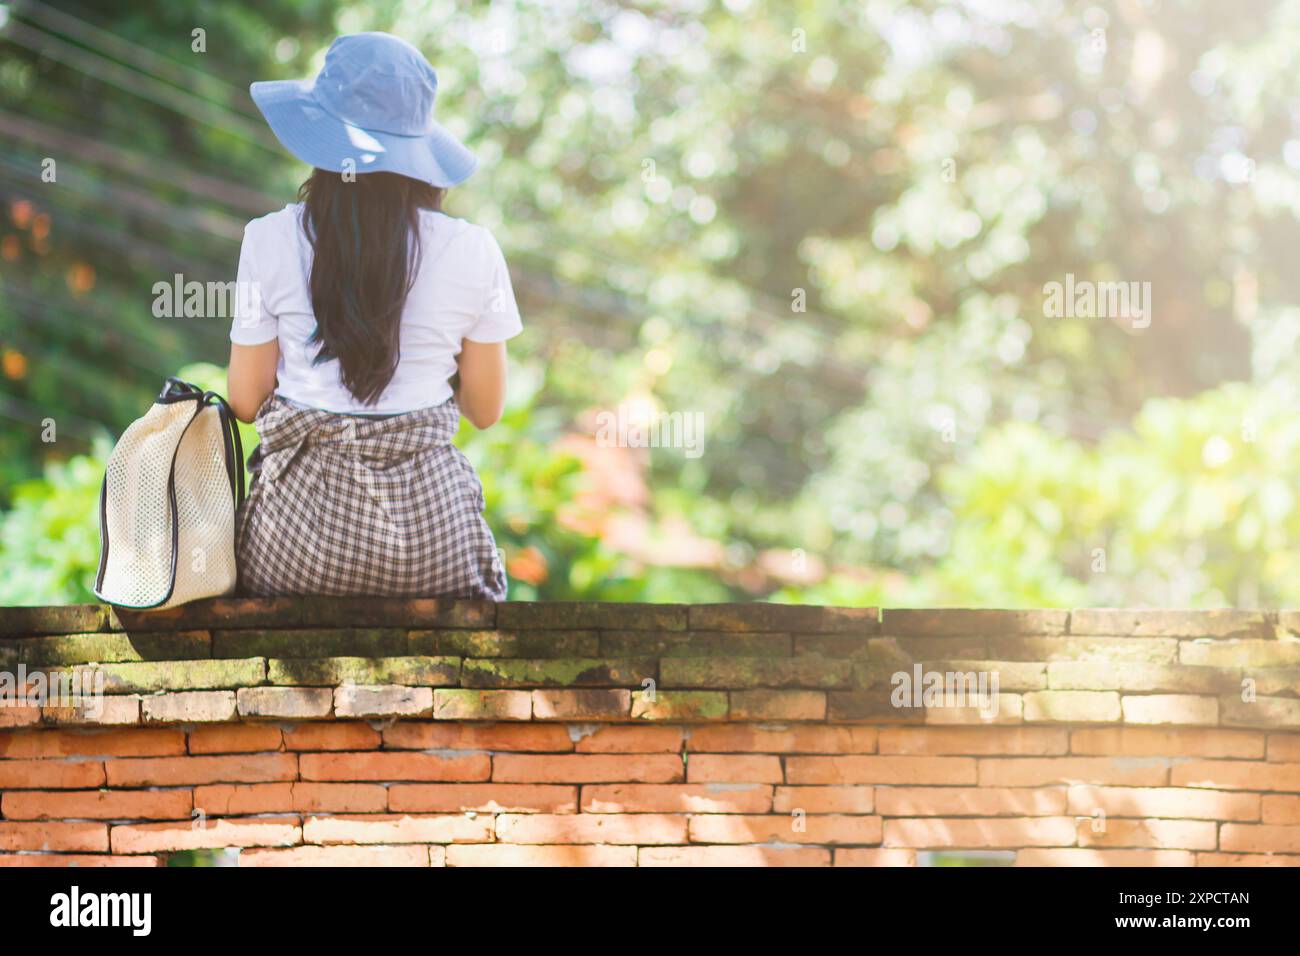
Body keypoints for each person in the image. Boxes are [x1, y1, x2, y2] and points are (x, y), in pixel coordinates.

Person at [226, 32, 517, 599]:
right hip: (431, 543)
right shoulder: (474, 249)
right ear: (419, 151)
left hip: (296, 542)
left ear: (321, 137)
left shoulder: (267, 239)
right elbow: (485, 410)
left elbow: (244, 400)